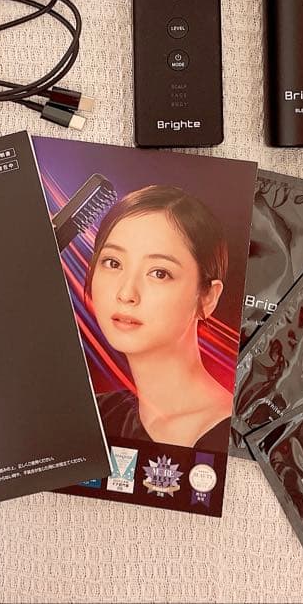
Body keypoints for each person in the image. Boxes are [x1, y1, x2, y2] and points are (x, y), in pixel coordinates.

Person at [86, 184, 231, 451]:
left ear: (207, 297)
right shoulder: (96, 416)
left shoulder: (230, 435)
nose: (126, 294)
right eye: (113, 263)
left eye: (159, 273)